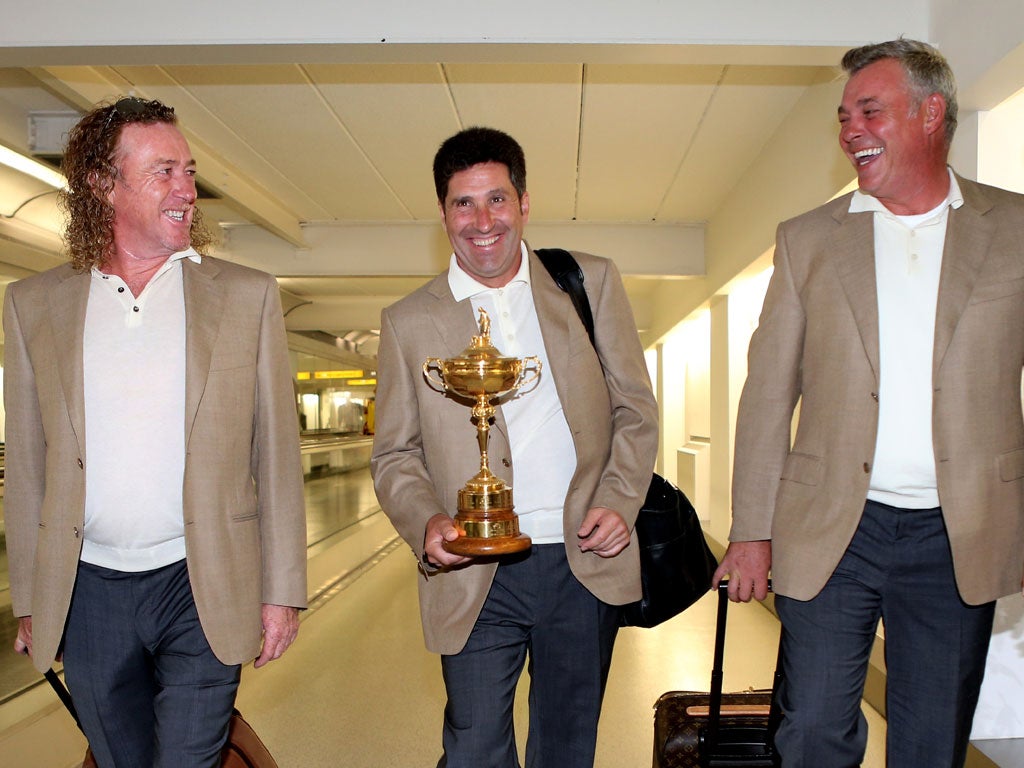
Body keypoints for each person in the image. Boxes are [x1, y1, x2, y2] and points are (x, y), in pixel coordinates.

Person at [715, 39, 1024, 767]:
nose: (850, 128)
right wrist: (751, 530)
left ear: (930, 114)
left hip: (960, 534)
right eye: (844, 115)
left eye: (870, 110)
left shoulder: (1014, 230)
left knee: (929, 740)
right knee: (813, 727)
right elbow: (766, 394)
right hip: (831, 531)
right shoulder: (809, 242)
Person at [4, 96, 307, 767]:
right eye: (164, 171)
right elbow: (27, 467)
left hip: (200, 579)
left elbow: (277, 454)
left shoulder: (245, 296)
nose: (187, 190)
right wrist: (32, 596)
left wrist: (282, 589)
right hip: (89, 590)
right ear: (104, 184)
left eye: (188, 171)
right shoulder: (36, 306)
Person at [370, 126, 658, 768]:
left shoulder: (589, 284)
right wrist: (426, 522)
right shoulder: (408, 320)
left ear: (524, 203)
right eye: (462, 204)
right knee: (472, 747)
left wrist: (619, 500)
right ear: (443, 212)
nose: (482, 221)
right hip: (473, 569)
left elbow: (635, 409)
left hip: (580, 560)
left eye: (496, 199)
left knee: (565, 746)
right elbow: (394, 453)